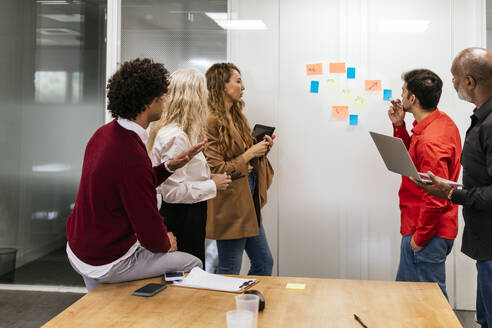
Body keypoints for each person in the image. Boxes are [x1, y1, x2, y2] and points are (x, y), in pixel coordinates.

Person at [66, 58, 203, 292]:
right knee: (193, 262)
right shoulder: (130, 153)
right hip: (108, 260)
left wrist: (169, 166)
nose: (166, 101)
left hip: (80, 248)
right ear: (150, 102)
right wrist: (165, 242)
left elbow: (129, 181)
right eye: (163, 96)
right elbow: (150, 234)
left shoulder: (105, 133)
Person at [412, 48, 492, 327]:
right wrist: (451, 187)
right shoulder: (479, 118)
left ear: (470, 81)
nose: (453, 84)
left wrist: (450, 193)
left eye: (455, 78)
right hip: (484, 245)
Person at [387, 69, 462, 299]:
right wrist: (400, 126)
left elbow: (436, 197)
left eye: (404, 91)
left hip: (427, 231)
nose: (400, 95)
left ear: (413, 99)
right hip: (424, 227)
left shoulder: (431, 141)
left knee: (429, 305)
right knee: (412, 301)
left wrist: (420, 239)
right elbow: (414, 164)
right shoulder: (439, 122)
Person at [147, 69, 231, 266]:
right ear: (192, 96)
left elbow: (183, 177)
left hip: (190, 212)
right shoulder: (175, 136)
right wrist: (212, 185)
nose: (208, 96)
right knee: (188, 273)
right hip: (181, 216)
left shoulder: (183, 132)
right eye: (203, 91)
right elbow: (172, 192)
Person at [204, 63, 275, 275]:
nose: (242, 87)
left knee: (264, 262)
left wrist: (261, 149)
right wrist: (251, 153)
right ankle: (225, 308)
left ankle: (248, 303)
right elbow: (217, 168)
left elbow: (244, 159)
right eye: (237, 81)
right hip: (230, 204)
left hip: (247, 199)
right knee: (229, 269)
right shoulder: (211, 121)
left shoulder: (236, 118)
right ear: (222, 86)